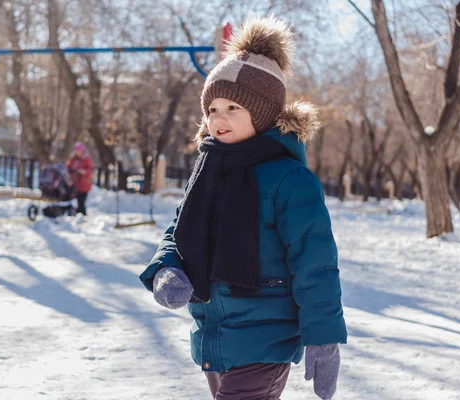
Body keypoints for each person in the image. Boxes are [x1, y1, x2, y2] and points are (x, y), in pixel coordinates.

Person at [139, 15, 346, 400]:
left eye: (233, 107)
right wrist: (166, 267)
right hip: (213, 335)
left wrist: (324, 338)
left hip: (266, 339)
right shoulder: (207, 170)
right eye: (212, 108)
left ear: (263, 112)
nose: (219, 118)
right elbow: (179, 229)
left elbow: (315, 264)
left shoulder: (289, 179)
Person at [66, 142, 94, 216]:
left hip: (84, 183)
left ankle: (82, 215)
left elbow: (90, 169)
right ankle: (78, 214)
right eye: (76, 151)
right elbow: (68, 167)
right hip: (75, 183)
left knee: (81, 201)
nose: (77, 152)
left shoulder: (87, 159)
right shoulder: (73, 159)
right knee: (77, 200)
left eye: (79, 151)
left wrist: (84, 171)